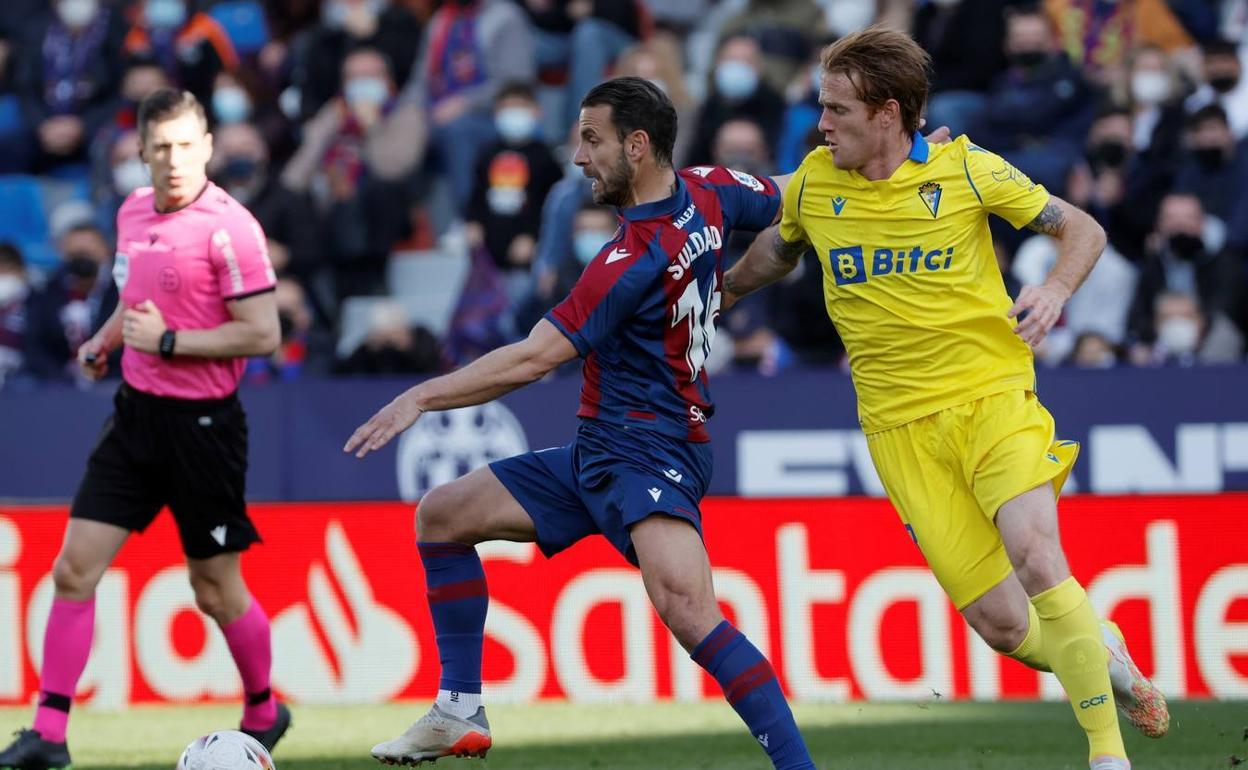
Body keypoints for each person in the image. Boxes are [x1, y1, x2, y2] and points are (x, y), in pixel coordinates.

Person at [722, 27, 1168, 770]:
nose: (820, 123)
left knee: (1035, 551)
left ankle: (1107, 756)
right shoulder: (812, 182)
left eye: (835, 110)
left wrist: (1055, 290)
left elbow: (1081, 228)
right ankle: (1108, 657)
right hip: (899, 429)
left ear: (887, 112)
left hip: (991, 395)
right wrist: (725, 289)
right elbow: (780, 245)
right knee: (1001, 625)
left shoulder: (967, 170)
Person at [345, 76, 815, 770]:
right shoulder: (711, 189)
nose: (577, 158)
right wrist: (892, 156)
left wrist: (421, 397)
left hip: (655, 453)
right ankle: (457, 709)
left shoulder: (628, 261)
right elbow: (795, 186)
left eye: (591, 139)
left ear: (637, 144)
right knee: (441, 515)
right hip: (599, 449)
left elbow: (533, 359)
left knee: (689, 612)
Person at [0, 89, 289, 770]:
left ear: (209, 146)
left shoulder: (232, 227)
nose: (174, 160)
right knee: (73, 569)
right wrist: (108, 340)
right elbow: (138, 301)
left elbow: (263, 332)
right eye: (160, 148)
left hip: (206, 430)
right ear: (141, 152)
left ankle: (265, 711)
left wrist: (164, 344)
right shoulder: (131, 213)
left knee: (215, 590)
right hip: (135, 418)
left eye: (187, 145)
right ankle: (48, 733)